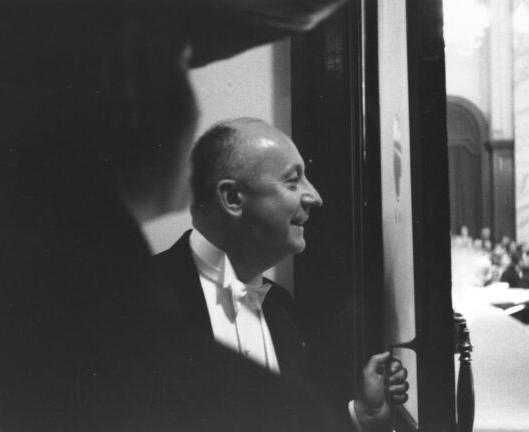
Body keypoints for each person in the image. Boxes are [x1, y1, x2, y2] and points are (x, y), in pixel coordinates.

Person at [0, 2, 348, 431]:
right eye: (181, 63)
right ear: (131, 82)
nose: (314, 197)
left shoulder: (0, 305)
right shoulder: (131, 345)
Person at [155, 118, 409, 432]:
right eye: (292, 182)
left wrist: (363, 415)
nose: (315, 197)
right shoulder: (135, 301)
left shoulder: (281, 306)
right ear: (232, 198)